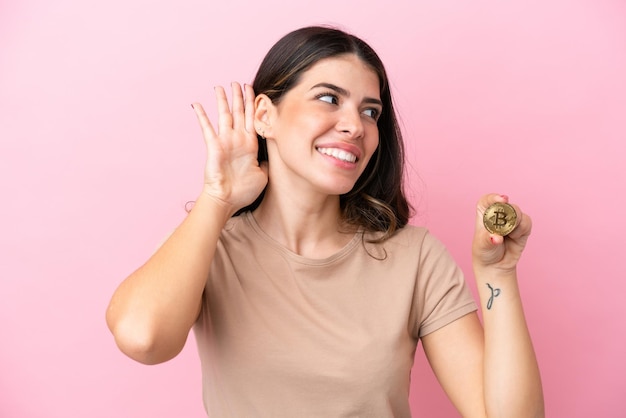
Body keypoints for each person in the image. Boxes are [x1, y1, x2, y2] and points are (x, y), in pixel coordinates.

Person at [106, 26, 544, 417]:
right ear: (264, 115)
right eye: (329, 98)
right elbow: (142, 339)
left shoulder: (414, 256)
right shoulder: (209, 246)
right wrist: (218, 197)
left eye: (370, 112)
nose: (355, 126)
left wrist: (497, 274)